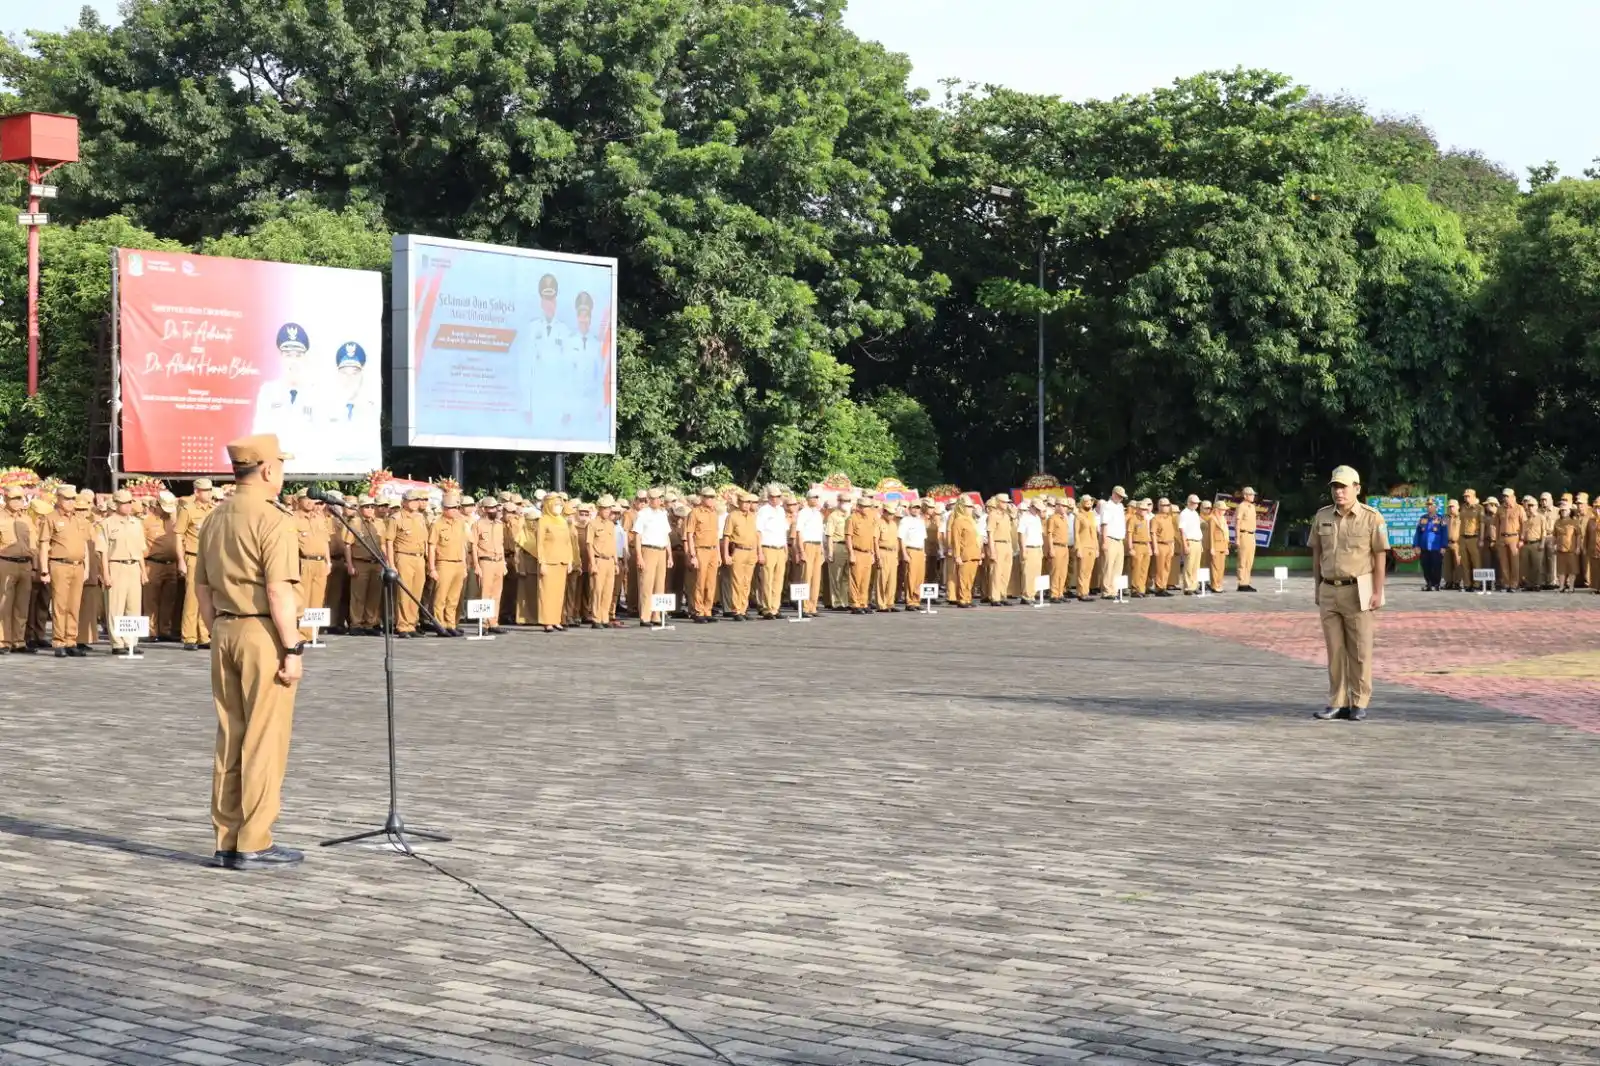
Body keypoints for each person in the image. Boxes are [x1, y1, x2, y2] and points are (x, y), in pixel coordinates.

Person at [193, 434, 307, 870]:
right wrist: (292, 646)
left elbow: (202, 589)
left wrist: (221, 629)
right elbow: (278, 591)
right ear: (266, 469)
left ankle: (226, 838)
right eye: (280, 463)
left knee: (232, 737)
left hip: (224, 629)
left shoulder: (215, 517)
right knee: (264, 738)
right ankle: (254, 841)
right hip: (263, 632)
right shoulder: (273, 520)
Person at [1311, 466, 1388, 722]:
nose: (1338, 492)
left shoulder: (1371, 517)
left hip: (1358, 590)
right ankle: (1337, 701)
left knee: (1360, 649)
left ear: (1357, 488)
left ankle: (1359, 701)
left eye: (1343, 486)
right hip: (1329, 589)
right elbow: (1316, 554)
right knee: (1334, 650)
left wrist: (1378, 592)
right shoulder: (1322, 516)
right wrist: (1317, 588)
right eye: (1335, 486)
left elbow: (1379, 556)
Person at [36, 485, 90, 658]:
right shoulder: (50, 518)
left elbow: (85, 545)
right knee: (60, 605)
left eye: (73, 499)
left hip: (78, 565)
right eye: (67, 498)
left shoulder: (79, 519)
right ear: (58, 499)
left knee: (74, 605)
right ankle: (59, 641)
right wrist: (44, 570)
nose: (70, 502)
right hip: (59, 565)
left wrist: (86, 567)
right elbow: (44, 545)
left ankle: (71, 640)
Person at [252, 323, 318, 456]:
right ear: (280, 358)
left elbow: (324, 440)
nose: (293, 361)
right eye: (288, 355)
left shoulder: (317, 394)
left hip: (308, 470)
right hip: (274, 469)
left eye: (298, 356)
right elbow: (258, 436)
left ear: (305, 358)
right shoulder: (268, 392)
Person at [97, 489, 148, 655]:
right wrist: (105, 574)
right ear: (117, 504)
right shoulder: (107, 524)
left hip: (133, 566)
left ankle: (131, 641)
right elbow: (103, 551)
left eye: (129, 503)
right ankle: (117, 642)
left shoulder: (136, 523)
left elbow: (140, 549)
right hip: (115, 565)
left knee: (133, 606)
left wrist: (143, 571)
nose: (127, 506)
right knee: (115, 606)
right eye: (124, 503)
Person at [177, 479, 218, 649]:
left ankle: (204, 635)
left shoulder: (215, 510)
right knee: (193, 598)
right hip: (193, 557)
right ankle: (189, 637)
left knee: (208, 597)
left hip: (211, 558)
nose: (209, 493)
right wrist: (181, 560)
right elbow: (178, 535)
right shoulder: (188, 510)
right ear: (197, 492)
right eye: (205, 490)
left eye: (210, 490)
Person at [427, 494, 470, 635]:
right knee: (441, 597)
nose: (455, 510)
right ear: (444, 509)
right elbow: (431, 546)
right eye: (452, 508)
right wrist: (432, 568)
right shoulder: (437, 524)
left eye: (457, 508)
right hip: (444, 563)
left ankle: (451, 624)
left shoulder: (460, 523)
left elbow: (463, 546)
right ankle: (440, 625)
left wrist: (464, 566)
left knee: (454, 598)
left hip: (458, 563)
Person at [390, 489, 431, 637]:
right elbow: (389, 542)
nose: (415, 503)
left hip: (419, 558)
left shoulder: (420, 518)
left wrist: (427, 561)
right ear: (404, 502)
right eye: (411, 500)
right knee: (404, 593)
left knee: (416, 593)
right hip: (404, 557)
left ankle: (412, 624)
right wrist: (392, 564)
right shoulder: (396, 518)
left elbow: (425, 540)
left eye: (416, 500)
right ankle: (402, 626)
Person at [0, 484, 35, 653]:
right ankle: (3, 641)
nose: (18, 501)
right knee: (4, 604)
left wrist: (36, 567)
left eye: (20, 498)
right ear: (6, 498)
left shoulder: (27, 519)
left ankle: (18, 641)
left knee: (22, 605)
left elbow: (33, 544)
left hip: (25, 564)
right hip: (5, 563)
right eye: (14, 498)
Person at [531, 493, 572, 632]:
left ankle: (556, 620)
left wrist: (570, 560)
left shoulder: (562, 521)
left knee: (559, 593)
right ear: (548, 505)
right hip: (548, 561)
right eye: (556, 505)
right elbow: (540, 544)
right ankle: (547, 621)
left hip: (562, 561)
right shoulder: (543, 520)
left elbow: (568, 543)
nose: (559, 508)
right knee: (547, 592)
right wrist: (542, 562)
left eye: (560, 505)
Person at [633, 488, 672, 625]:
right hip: (648, 549)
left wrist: (670, 556)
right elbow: (637, 535)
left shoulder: (663, 514)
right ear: (649, 500)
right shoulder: (643, 514)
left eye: (660, 498)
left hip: (661, 550)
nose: (658, 501)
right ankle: (645, 616)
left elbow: (666, 535)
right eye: (655, 498)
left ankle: (657, 616)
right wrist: (639, 556)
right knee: (646, 584)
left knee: (660, 585)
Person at [471, 497, 509, 633]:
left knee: (496, 594)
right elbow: (474, 546)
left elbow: (501, 545)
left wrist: (503, 563)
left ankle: (493, 622)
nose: (494, 510)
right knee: (485, 594)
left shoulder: (499, 525)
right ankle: (484, 624)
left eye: (495, 508)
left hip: (498, 561)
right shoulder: (477, 525)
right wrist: (476, 565)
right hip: (485, 561)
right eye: (491, 508)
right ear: (484, 509)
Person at [755, 485, 789, 619]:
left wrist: (785, 548)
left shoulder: (781, 511)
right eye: (773, 497)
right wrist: (760, 552)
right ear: (768, 498)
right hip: (767, 547)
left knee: (778, 580)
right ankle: (766, 607)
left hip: (780, 547)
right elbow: (758, 532)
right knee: (766, 579)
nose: (775, 499)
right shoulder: (763, 511)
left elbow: (783, 531)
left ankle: (775, 607)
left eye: (778, 497)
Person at [846, 497, 879, 614]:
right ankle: (855, 604)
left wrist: (872, 553)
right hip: (857, 551)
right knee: (856, 579)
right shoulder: (852, 518)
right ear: (859, 507)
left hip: (867, 552)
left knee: (865, 580)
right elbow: (848, 537)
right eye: (865, 507)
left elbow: (871, 537)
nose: (868, 509)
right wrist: (851, 553)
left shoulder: (870, 519)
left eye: (869, 507)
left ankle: (863, 602)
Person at [948, 497, 981, 607]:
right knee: (963, 578)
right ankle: (962, 599)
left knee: (970, 578)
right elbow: (956, 540)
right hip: (964, 554)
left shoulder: (971, 521)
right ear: (962, 507)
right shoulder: (958, 521)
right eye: (969, 507)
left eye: (971, 506)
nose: (971, 509)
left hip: (974, 553)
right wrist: (957, 555)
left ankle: (968, 598)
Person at [1097, 487, 1126, 599]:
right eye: (1119, 496)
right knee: (1108, 566)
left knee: (1118, 567)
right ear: (1113, 494)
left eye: (1122, 497)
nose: (1121, 499)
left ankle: (1114, 590)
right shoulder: (1107, 506)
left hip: (1119, 539)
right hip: (1110, 538)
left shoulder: (1120, 507)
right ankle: (1107, 590)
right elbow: (1104, 524)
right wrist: (1104, 541)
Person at [1413, 499, 1447, 591]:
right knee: (1425, 565)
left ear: (1436, 507)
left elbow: (1444, 533)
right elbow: (1418, 532)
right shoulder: (1423, 518)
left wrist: (1443, 546)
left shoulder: (1441, 518)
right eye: (1428, 505)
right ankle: (1429, 583)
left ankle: (1436, 584)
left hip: (1436, 547)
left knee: (1436, 566)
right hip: (1424, 547)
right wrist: (1416, 545)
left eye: (1431, 505)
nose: (1429, 507)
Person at [1072, 494, 1099, 601]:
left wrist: (1096, 548)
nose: (1089, 503)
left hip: (1092, 547)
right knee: (1082, 571)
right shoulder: (1078, 516)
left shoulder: (1092, 516)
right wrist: (1078, 548)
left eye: (1090, 502)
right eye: (1087, 502)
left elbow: (1094, 534)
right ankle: (1081, 592)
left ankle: (1086, 591)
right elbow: (1076, 533)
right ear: (1082, 503)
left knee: (1089, 571)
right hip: (1083, 546)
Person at [1234, 488, 1259, 591]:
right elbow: (1237, 523)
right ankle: (1241, 583)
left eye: (1253, 494)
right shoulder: (1241, 506)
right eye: (1251, 494)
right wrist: (1237, 538)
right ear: (1245, 496)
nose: (1253, 496)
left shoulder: (1252, 507)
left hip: (1251, 535)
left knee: (1250, 560)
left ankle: (1246, 582)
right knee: (1243, 559)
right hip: (1243, 534)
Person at [1177, 495, 1203, 594]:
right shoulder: (1184, 513)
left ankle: (1194, 585)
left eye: (1197, 503)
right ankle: (1188, 587)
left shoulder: (1195, 513)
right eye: (1194, 503)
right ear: (1189, 503)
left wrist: (1200, 543)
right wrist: (1185, 544)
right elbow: (1182, 530)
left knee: (1196, 566)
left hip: (1197, 540)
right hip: (1190, 541)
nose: (1196, 505)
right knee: (1189, 565)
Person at [1552, 503, 1580, 593]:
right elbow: (1554, 535)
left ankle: (1571, 587)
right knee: (1561, 569)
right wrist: (1553, 545)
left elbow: (1579, 535)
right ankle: (1561, 587)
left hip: (1571, 549)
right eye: (1562, 510)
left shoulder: (1574, 522)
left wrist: (1578, 547)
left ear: (1569, 511)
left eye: (1565, 510)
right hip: (1560, 549)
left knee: (1572, 569)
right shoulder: (1557, 522)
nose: (1563, 512)